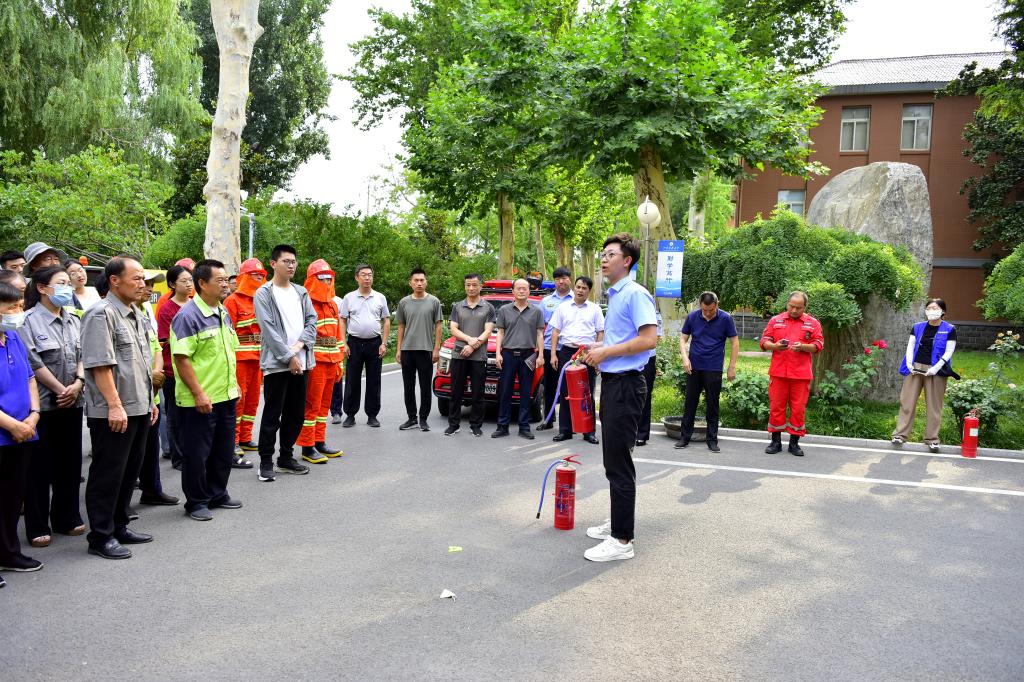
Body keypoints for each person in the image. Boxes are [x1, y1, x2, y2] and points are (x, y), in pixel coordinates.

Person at [581, 233, 657, 562]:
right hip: (614, 383)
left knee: (618, 463)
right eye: (603, 253)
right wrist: (599, 348)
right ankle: (617, 523)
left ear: (627, 261)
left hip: (626, 385)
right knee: (613, 459)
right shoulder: (616, 295)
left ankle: (622, 540)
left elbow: (649, 339)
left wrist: (607, 352)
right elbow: (622, 339)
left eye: (610, 254)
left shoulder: (635, 294)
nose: (604, 258)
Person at [80, 256, 158, 560]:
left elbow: (141, 364)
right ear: (114, 281)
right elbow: (100, 365)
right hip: (113, 410)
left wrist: (149, 401)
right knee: (108, 473)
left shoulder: (135, 313)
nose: (142, 284)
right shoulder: (101, 314)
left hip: (138, 405)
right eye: (136, 278)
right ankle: (100, 536)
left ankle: (120, 525)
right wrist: (114, 405)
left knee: (129, 472)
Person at [19, 266, 87, 549]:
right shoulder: (27, 321)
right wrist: (61, 389)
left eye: (68, 283)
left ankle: (66, 517)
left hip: (73, 401)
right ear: (42, 288)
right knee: (39, 467)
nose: (67, 288)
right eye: (61, 283)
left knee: (70, 463)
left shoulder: (73, 319)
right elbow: (33, 362)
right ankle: (37, 525)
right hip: (44, 405)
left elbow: (83, 354)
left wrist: (78, 383)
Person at [171, 259, 243, 520]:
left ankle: (217, 493)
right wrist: (199, 393)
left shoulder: (223, 311)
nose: (225, 284)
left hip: (225, 395)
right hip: (200, 399)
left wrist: (235, 385)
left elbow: (228, 352)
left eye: (226, 279)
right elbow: (182, 359)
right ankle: (196, 502)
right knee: (197, 454)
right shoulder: (187, 316)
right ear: (202, 283)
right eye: (219, 280)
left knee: (223, 450)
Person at [254, 244, 317, 481]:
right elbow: (268, 329)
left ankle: (286, 457)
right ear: (273, 264)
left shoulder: (301, 292)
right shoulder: (264, 293)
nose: (291, 266)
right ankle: (266, 461)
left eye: (293, 262)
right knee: (273, 414)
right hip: (277, 364)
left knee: (296, 413)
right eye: (286, 261)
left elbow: (312, 322)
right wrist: (288, 357)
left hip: (302, 362)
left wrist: (298, 348)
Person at [0, 280, 44, 583]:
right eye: (11, 307)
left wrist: (34, 415)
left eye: (19, 306)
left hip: (25, 430)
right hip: (7, 430)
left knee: (12, 497)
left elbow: (30, 378)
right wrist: (12, 425)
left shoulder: (13, 337)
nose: (18, 312)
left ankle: (9, 553)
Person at [759, 291, 824, 457]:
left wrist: (803, 347)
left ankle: (794, 443)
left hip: (801, 375)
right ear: (787, 304)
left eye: (798, 308)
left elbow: (818, 344)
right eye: (791, 306)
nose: (794, 310)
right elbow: (764, 341)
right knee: (776, 407)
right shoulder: (776, 320)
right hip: (778, 373)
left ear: (805, 307)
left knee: (798, 409)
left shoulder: (813, 323)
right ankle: (776, 442)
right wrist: (775, 346)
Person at [892, 298, 959, 453]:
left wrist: (935, 368)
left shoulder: (950, 329)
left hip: (936, 370)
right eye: (928, 308)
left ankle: (932, 439)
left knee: (934, 405)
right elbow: (910, 346)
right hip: (915, 368)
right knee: (907, 402)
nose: (931, 311)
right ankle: (900, 435)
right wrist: (910, 363)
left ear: (943, 311)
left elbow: (949, 351)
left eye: (934, 308)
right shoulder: (917, 327)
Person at [675, 292, 739, 452]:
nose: (708, 313)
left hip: (714, 367)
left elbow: (735, 342)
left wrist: (732, 366)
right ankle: (684, 437)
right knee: (690, 403)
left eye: (711, 310)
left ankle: (712, 440)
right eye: (704, 310)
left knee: (712, 404)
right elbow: (683, 338)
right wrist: (685, 358)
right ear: (700, 305)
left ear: (717, 304)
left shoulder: (725, 318)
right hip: (694, 366)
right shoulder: (692, 317)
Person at [296, 259, 345, 463]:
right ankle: (307, 447)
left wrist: (340, 362)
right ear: (312, 280)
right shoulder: (304, 303)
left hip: (331, 361)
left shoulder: (333, 304)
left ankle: (319, 441)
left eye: (329, 278)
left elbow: (338, 336)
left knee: (324, 406)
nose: (327, 282)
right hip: (314, 362)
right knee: (312, 405)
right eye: (322, 278)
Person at [136, 271, 177, 507]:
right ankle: (119, 507)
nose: (149, 288)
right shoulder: (107, 314)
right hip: (132, 395)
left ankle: (152, 490)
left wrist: (157, 373)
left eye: (151, 284)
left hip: (152, 391)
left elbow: (156, 347)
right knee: (129, 454)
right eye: (144, 283)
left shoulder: (144, 311)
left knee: (151, 448)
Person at [548, 275, 604, 444]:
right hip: (567, 353)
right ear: (574, 288)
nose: (580, 290)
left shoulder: (595, 309)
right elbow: (555, 332)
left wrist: (597, 354)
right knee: (566, 392)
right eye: (578, 287)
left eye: (584, 288)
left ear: (589, 291)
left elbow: (600, 332)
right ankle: (565, 430)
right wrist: (553, 354)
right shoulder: (563, 308)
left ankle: (589, 432)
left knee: (587, 392)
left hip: (587, 353)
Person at [223, 258, 265, 466]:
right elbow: (227, 332)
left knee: (253, 400)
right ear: (244, 277)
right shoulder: (232, 301)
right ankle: (234, 440)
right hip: (240, 358)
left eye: (261, 275)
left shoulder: (262, 299)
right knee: (238, 401)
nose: (258, 277)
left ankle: (246, 437)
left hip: (258, 358)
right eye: (254, 274)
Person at [492, 278, 545, 440]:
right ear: (513, 291)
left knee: (526, 392)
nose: (521, 291)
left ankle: (524, 427)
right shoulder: (504, 310)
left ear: (529, 291)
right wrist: (498, 353)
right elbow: (500, 333)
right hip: (508, 355)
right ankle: (502, 426)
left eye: (524, 288)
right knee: (505, 391)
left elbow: (540, 334)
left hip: (528, 356)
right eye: (518, 288)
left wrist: (540, 355)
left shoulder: (536, 311)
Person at [338, 263, 390, 428]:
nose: (367, 278)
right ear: (357, 277)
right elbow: (342, 320)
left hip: (375, 343)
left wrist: (384, 343)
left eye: (370, 275)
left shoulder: (380, 297)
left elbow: (386, 320)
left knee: (374, 381)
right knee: (352, 380)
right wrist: (343, 343)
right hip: (354, 343)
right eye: (364, 275)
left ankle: (372, 415)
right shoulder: (349, 298)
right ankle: (350, 414)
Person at [445, 274, 495, 437]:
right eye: (468, 285)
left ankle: (476, 425)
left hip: (478, 357)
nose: (471, 288)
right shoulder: (457, 307)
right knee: (456, 392)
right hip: (459, 354)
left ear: (480, 286)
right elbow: (453, 329)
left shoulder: (488, 307)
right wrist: (469, 340)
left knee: (478, 393)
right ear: (465, 286)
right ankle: (453, 425)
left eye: (474, 285)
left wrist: (473, 345)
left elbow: (488, 331)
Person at [396, 268, 443, 432]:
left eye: (422, 280)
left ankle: (423, 419)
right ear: (410, 283)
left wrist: (436, 348)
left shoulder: (434, 302)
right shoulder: (404, 302)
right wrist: (399, 349)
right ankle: (411, 418)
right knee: (408, 387)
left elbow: (438, 326)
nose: (419, 283)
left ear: (426, 282)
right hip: (407, 350)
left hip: (425, 350)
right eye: (416, 280)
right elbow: (401, 326)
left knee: (425, 387)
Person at [157, 264, 194, 471]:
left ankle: (191, 452)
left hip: (196, 368)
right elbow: (166, 340)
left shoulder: (195, 304)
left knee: (191, 414)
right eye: (184, 281)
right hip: (173, 370)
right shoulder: (167, 309)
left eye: (190, 280)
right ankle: (177, 457)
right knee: (175, 414)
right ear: (172, 284)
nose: (189, 284)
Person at [537, 267, 573, 431]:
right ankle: (548, 419)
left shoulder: (576, 299)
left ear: (570, 279)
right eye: (557, 279)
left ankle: (570, 423)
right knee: (550, 386)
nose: (561, 281)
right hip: (548, 348)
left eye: (564, 278)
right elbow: (539, 327)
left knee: (569, 387)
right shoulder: (546, 301)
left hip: (569, 349)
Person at [636, 311, 663, 447]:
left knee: (644, 395)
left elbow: (656, 338)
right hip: (627, 356)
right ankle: (628, 431)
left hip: (647, 358)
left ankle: (641, 434)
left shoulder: (654, 315)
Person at [329, 291, 347, 424]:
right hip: (316, 349)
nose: (326, 282)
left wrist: (343, 344)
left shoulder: (339, 301)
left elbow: (344, 323)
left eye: (329, 280)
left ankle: (336, 411)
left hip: (335, 346)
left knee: (337, 379)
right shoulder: (309, 299)